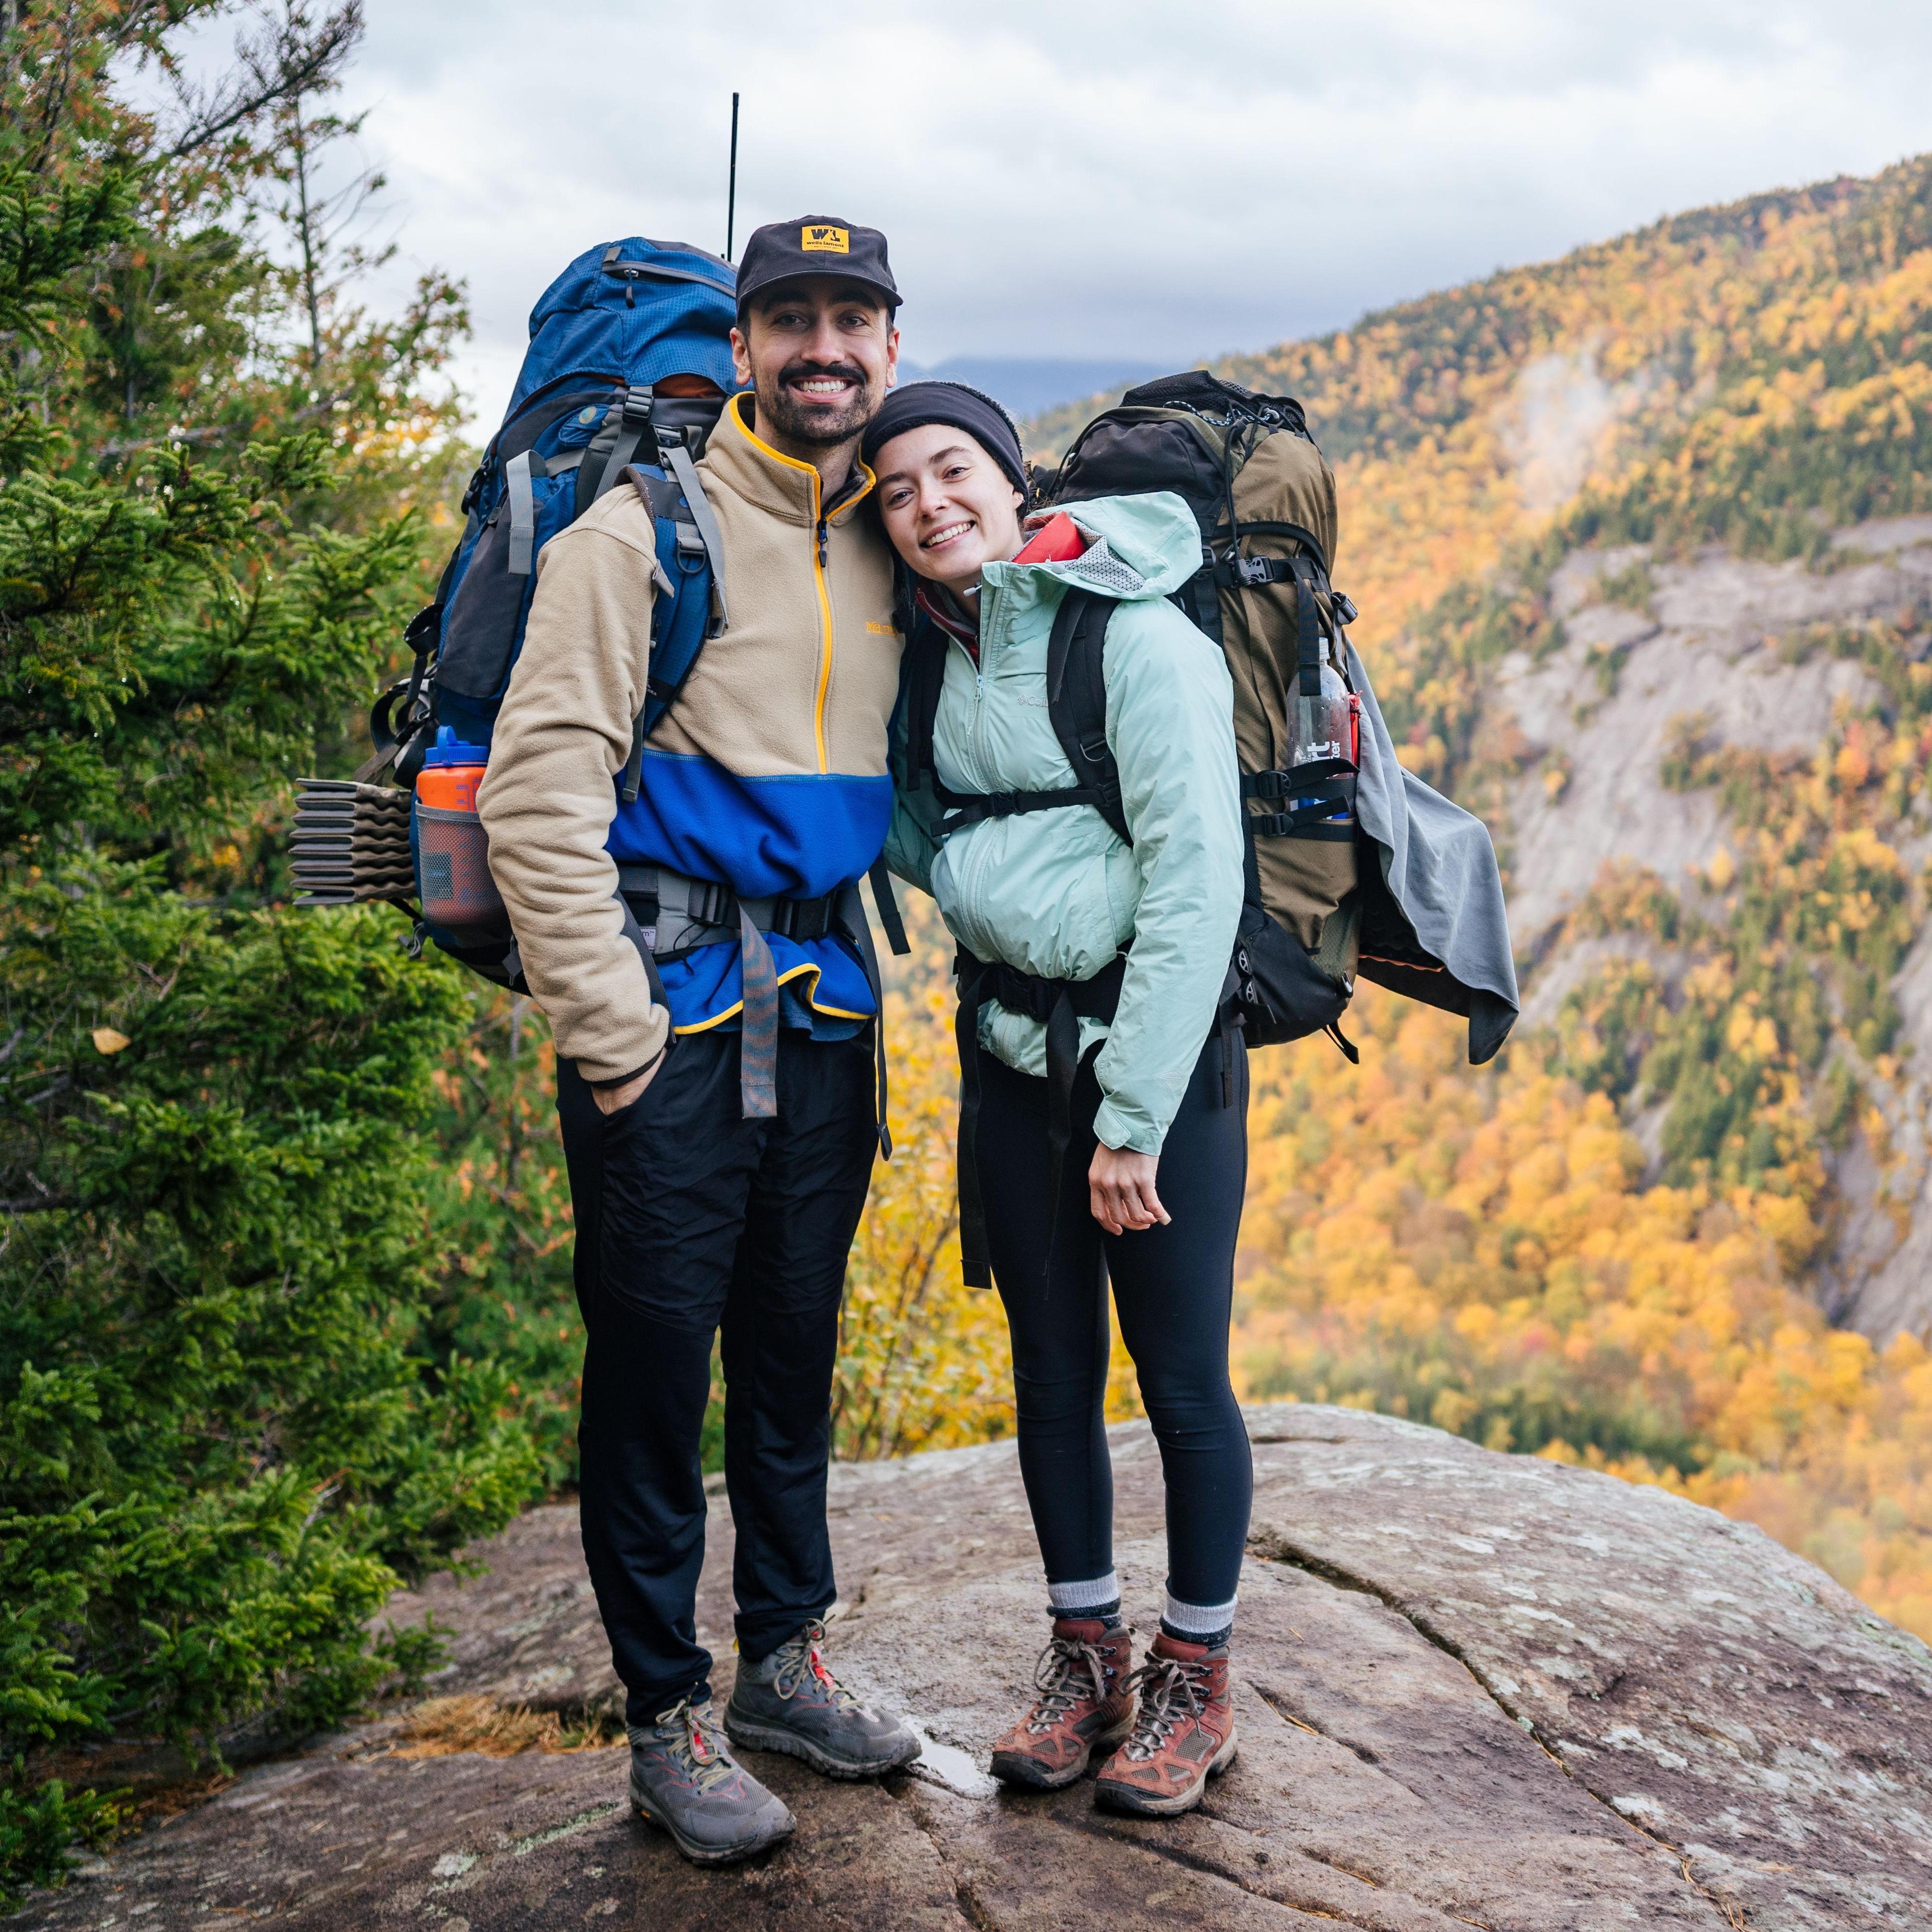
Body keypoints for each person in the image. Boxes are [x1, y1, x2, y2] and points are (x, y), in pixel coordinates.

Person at [478, 218, 921, 1868]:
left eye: (850, 321)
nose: (823, 350)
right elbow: (538, 793)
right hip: (668, 1022)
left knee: (790, 1363)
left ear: (890, 340)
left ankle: (784, 1667)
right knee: (659, 1385)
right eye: (788, 320)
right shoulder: (640, 534)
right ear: (740, 346)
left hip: (827, 1021)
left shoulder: (893, 527)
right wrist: (608, 1036)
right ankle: (666, 1715)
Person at [871, 383, 1251, 1819]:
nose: (928, 504)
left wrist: (1133, 1119)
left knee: (1183, 1383)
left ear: (1012, 484)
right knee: (1050, 1371)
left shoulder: (1135, 637)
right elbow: (924, 830)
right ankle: (1083, 1655)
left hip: (1150, 1075)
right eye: (899, 490)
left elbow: (1198, 880)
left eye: (952, 470)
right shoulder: (935, 660)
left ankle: (1195, 1681)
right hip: (1009, 1065)